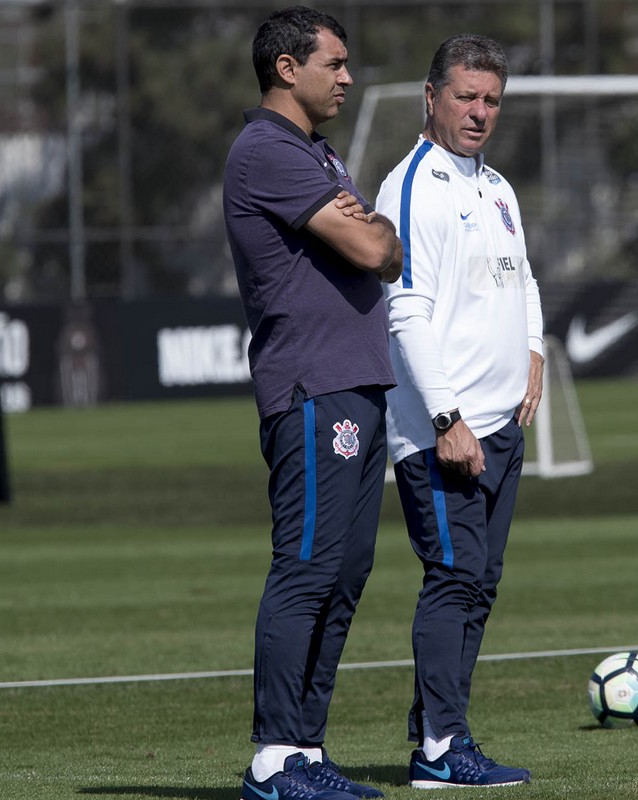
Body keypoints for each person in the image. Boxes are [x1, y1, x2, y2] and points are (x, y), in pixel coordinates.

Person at [223, 7, 403, 800]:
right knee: (305, 567)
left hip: (358, 383)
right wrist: (377, 230)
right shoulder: (268, 150)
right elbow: (375, 247)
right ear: (286, 69)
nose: (348, 76)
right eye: (334, 62)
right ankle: (272, 759)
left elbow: (382, 249)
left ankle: (305, 749)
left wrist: (378, 231)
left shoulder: (318, 153)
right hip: (312, 385)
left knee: (346, 571)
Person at [374, 34, 543, 789]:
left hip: (501, 426)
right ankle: (442, 749)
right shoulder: (413, 187)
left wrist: (534, 348)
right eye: (467, 96)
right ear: (431, 95)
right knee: (452, 575)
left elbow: (524, 277)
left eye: (492, 100)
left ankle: (439, 731)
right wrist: (446, 420)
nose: (480, 112)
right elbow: (403, 312)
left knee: (480, 580)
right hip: (445, 433)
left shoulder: (497, 187)